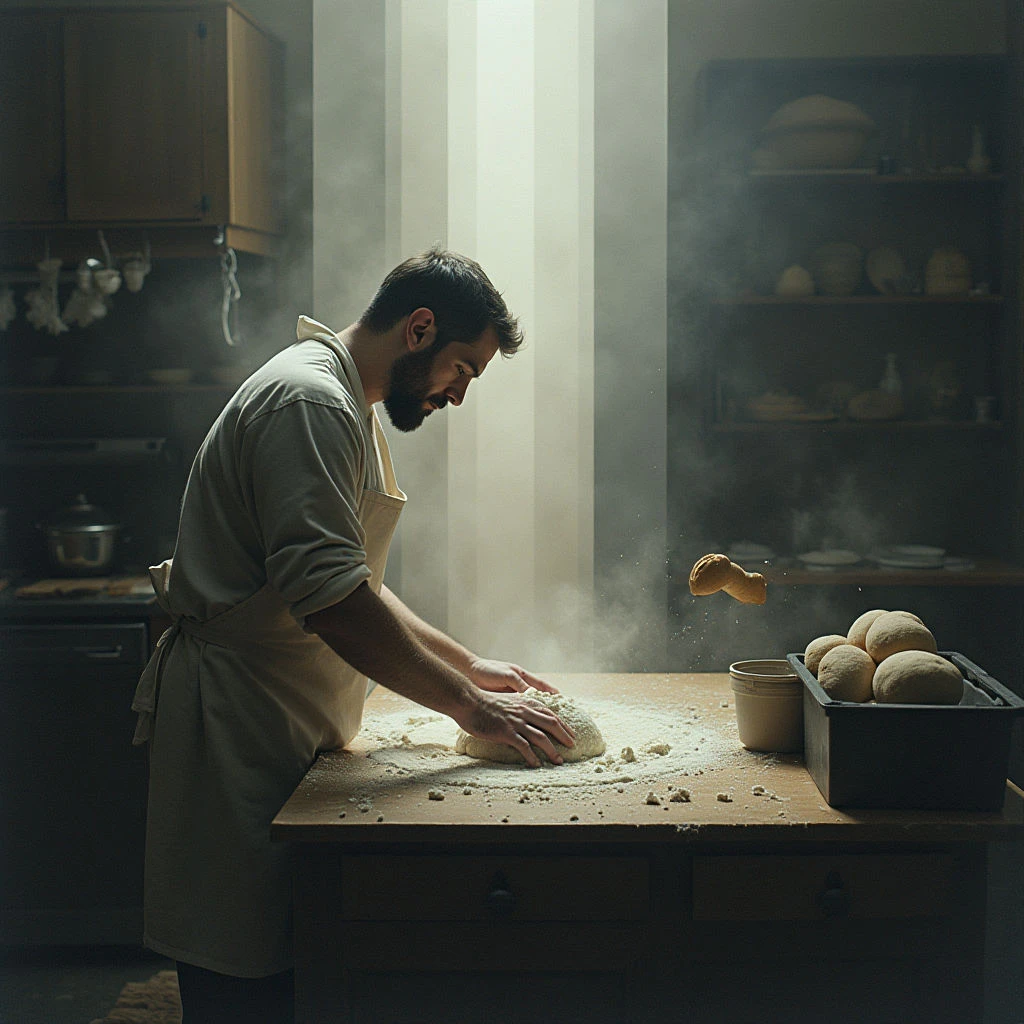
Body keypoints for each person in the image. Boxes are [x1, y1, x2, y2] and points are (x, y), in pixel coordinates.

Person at [130, 247, 575, 1023]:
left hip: (289, 720)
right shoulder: (309, 403)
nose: (459, 396)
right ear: (421, 328)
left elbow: (351, 579)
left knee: (296, 967)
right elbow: (331, 601)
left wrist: (467, 664)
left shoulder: (346, 403)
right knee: (241, 975)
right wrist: (472, 708)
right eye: (463, 370)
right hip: (239, 727)